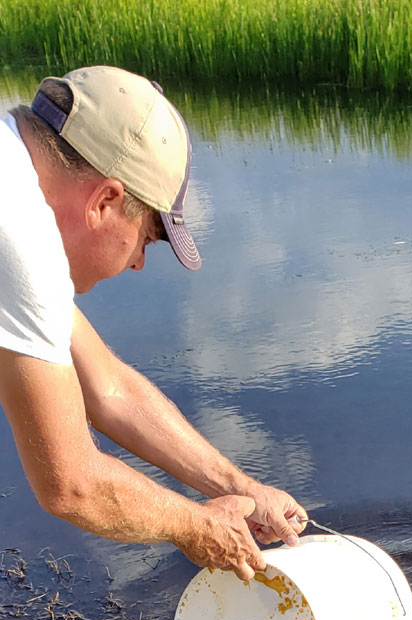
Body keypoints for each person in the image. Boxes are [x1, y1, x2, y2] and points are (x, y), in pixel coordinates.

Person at [0, 65, 307, 581]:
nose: (138, 263)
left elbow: (109, 388)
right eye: (146, 237)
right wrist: (196, 527)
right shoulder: (21, 235)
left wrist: (241, 490)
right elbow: (72, 483)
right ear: (106, 200)